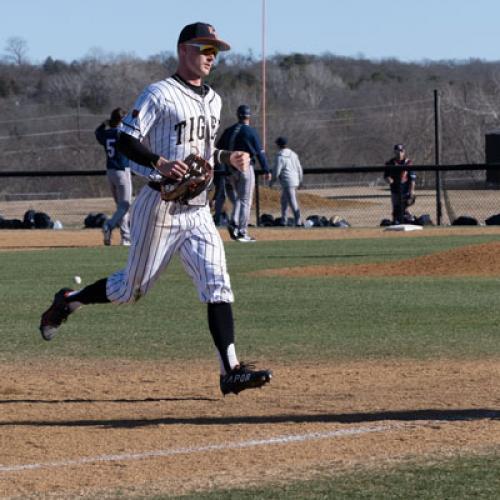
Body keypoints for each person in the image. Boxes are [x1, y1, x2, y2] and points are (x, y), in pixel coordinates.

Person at [39, 22, 272, 396]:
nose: (211, 56)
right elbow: (126, 138)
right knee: (128, 291)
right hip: (159, 207)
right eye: (204, 49)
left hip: (197, 210)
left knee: (218, 286)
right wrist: (159, 162)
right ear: (183, 51)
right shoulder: (159, 94)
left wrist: (229, 155)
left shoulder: (214, 100)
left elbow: (203, 149)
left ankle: (230, 370)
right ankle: (69, 300)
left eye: (215, 51)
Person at [216, 104, 272, 242]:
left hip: (229, 169)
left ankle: (234, 223)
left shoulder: (228, 131)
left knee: (239, 199)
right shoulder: (250, 132)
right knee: (245, 200)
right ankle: (241, 231)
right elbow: (260, 153)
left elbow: (217, 150)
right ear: (249, 116)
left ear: (237, 115)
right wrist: (266, 169)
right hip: (245, 168)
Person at [95, 108, 132, 246]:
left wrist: (105, 123)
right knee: (126, 205)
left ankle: (126, 238)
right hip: (122, 170)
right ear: (122, 120)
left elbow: (97, 132)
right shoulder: (121, 133)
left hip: (110, 171)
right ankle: (108, 225)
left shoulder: (106, 133)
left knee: (121, 207)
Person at [271, 136, 303, 226]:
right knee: (284, 201)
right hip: (295, 179)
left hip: (287, 180)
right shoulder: (293, 154)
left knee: (292, 201)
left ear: (278, 145)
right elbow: (299, 168)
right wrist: (300, 180)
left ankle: (298, 221)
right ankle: (284, 220)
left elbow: (277, 171)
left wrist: (272, 181)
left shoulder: (280, 156)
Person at [384, 144, 416, 224]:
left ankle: (409, 219)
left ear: (404, 152)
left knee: (404, 207)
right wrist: (388, 179)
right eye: (397, 151)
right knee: (395, 209)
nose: (399, 153)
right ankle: (396, 222)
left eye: (401, 151)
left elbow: (412, 178)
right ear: (394, 152)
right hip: (395, 190)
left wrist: (411, 191)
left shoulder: (408, 162)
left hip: (405, 190)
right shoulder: (390, 163)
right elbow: (386, 176)